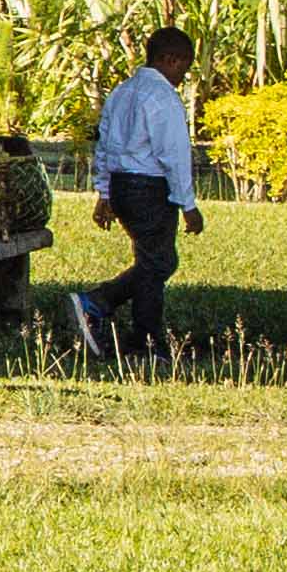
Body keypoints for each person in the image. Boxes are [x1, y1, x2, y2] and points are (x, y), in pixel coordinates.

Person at [87, 18, 200, 358]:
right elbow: (173, 154)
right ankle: (118, 320)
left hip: (122, 185)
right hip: (150, 187)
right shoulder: (163, 98)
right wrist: (188, 204)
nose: (182, 78)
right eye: (184, 68)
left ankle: (134, 333)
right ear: (171, 60)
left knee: (155, 262)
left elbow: (105, 145)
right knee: (156, 265)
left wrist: (104, 193)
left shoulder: (121, 92)